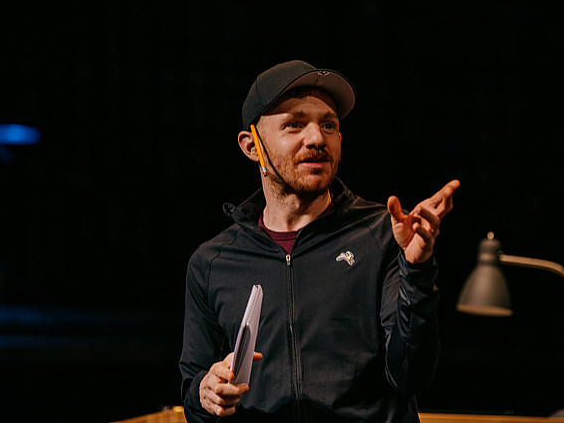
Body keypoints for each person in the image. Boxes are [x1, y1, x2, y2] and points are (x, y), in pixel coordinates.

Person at [179, 60, 460, 422]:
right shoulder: (214, 261)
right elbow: (192, 395)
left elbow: (411, 375)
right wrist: (206, 393)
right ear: (252, 147)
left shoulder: (382, 234)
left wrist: (417, 270)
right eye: (294, 124)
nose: (316, 138)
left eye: (328, 125)